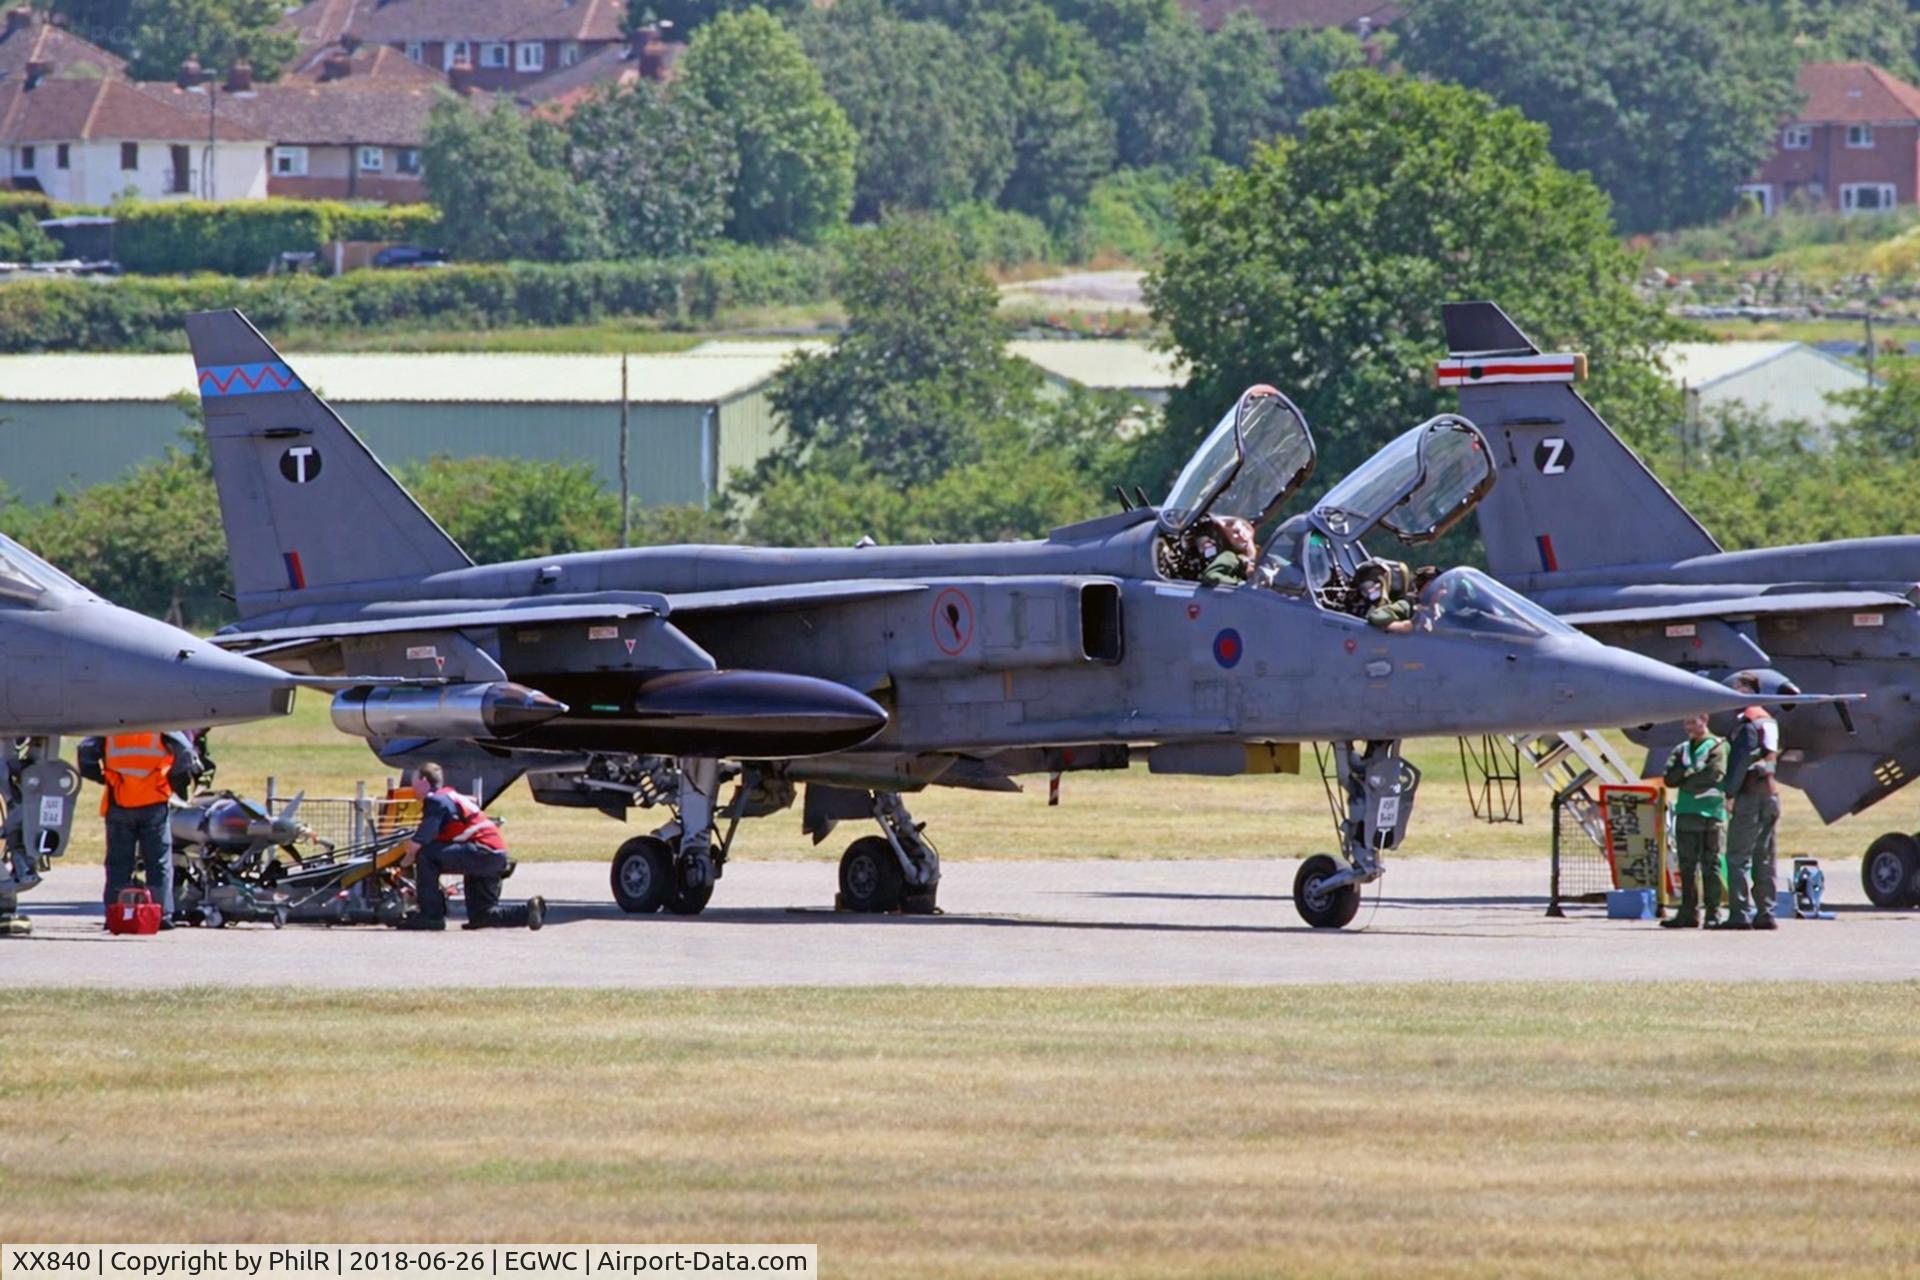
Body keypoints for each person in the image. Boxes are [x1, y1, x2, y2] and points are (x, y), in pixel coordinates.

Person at [393, 762, 545, 932]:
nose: (412, 789)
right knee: (482, 915)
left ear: (423, 782)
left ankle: (431, 916)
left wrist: (404, 862)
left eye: (413, 783)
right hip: (493, 854)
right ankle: (529, 910)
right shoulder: (451, 795)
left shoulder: (436, 800)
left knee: (426, 855)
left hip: (482, 851)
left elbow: (422, 839)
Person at [78, 729, 200, 929]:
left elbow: (85, 749)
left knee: (118, 863)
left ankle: (116, 914)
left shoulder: (112, 722)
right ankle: (160, 914)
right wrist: (171, 778)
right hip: (154, 799)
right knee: (158, 863)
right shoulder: (159, 720)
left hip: (119, 799)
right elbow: (185, 752)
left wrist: (103, 777)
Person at [1723, 675, 1781, 931]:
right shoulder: (1768, 719)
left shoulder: (1747, 723)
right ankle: (1766, 912)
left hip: (1750, 796)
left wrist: (1729, 793)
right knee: (1764, 856)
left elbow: (1740, 761)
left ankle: (1739, 914)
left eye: (1737, 690)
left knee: (1737, 856)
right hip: (1771, 795)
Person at [1659, 714, 1729, 929]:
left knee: (1712, 865)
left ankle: (1712, 913)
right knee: (1687, 867)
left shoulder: (1717, 746)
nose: (1689, 727)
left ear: (1704, 720)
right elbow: (1669, 778)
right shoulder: (1682, 750)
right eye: (1686, 723)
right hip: (1687, 812)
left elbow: (1714, 775)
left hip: (1711, 814)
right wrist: (1688, 773)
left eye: (1693, 722)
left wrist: (1686, 779)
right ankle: (1688, 912)